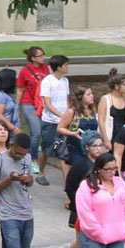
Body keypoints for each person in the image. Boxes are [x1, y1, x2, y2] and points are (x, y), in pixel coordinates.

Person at [65, 132, 108, 248]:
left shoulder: (106, 164)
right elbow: (70, 187)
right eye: (94, 145)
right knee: (82, 242)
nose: (98, 148)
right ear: (87, 147)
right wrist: (79, 206)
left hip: (102, 209)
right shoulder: (81, 165)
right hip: (84, 211)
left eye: (101, 145)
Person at [16, 46, 48, 180]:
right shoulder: (25, 71)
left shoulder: (45, 68)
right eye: (40, 56)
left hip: (41, 103)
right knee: (36, 131)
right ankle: (33, 159)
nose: (43, 58)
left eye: (43, 55)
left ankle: (29, 153)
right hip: (28, 103)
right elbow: (20, 89)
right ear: (33, 58)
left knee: (39, 132)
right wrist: (17, 107)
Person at [38, 54, 71, 185]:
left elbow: (66, 100)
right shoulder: (47, 81)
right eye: (66, 65)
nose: (68, 67)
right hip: (50, 121)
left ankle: (68, 180)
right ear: (59, 67)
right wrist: (61, 115)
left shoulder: (65, 81)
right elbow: (47, 103)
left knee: (64, 149)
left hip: (63, 121)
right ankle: (41, 172)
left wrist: (68, 113)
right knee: (46, 149)